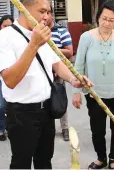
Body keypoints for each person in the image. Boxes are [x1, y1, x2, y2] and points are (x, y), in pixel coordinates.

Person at [0, 0, 93, 169]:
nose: (47, 16)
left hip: (46, 110)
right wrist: (34, 44)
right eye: (42, 11)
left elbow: (56, 63)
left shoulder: (44, 34)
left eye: (48, 12)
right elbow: (10, 80)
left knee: (44, 161)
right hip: (21, 114)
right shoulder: (3, 38)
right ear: (24, 9)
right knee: (21, 162)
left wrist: (73, 79)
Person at [72, 0, 114, 169]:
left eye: (111, 20)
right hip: (95, 93)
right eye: (104, 18)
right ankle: (101, 158)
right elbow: (78, 66)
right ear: (98, 17)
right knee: (97, 129)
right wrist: (76, 91)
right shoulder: (86, 37)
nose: (107, 23)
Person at [48, 10, 73, 141]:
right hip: (43, 74)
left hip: (58, 73)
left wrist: (50, 47)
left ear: (52, 15)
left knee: (60, 100)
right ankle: (49, 128)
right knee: (46, 102)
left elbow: (69, 52)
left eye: (48, 13)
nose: (45, 17)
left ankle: (65, 128)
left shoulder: (61, 31)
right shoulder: (37, 31)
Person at [0, 14, 14, 141]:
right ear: (0, 27)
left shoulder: (16, 39)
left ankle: (10, 127)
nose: (6, 28)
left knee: (12, 104)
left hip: (15, 76)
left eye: (9, 26)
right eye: (4, 26)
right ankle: (0, 129)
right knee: (2, 104)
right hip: (1, 77)